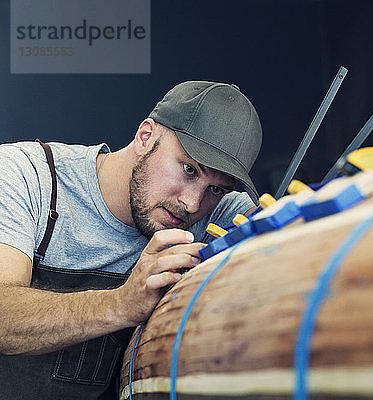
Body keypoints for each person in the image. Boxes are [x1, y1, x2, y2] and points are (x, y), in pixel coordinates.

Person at [0, 81, 262, 399]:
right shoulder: (27, 177)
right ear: (145, 137)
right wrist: (122, 304)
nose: (193, 204)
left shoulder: (218, 215)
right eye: (189, 170)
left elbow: (290, 231)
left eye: (217, 188)